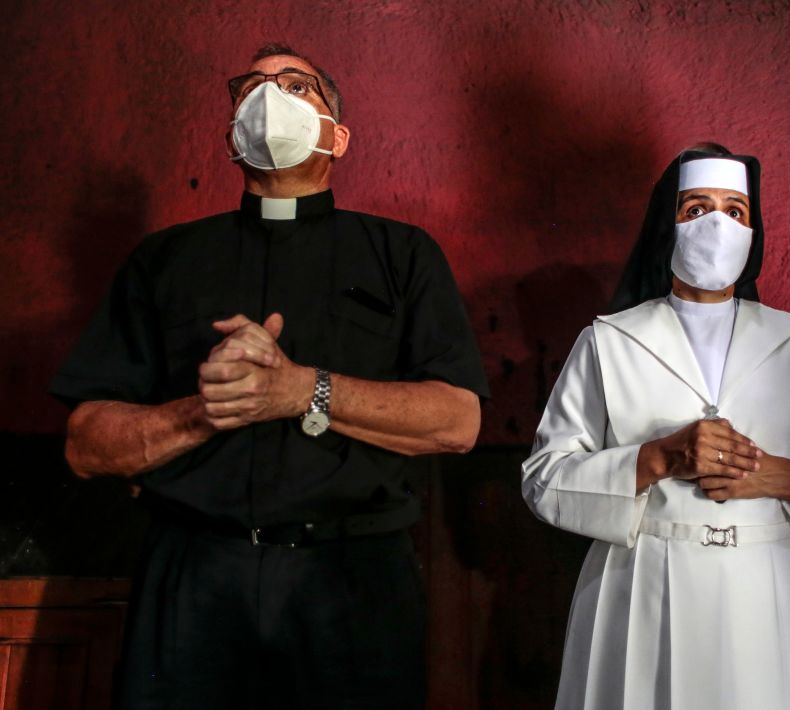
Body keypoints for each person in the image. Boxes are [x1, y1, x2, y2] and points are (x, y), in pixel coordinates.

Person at [50, 43, 488, 710]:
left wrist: (300, 389)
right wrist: (204, 410)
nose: (267, 97)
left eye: (295, 84)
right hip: (193, 577)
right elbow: (85, 445)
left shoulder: (403, 255)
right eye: (249, 88)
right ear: (232, 135)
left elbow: (458, 422)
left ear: (336, 137)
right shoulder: (163, 261)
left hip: (353, 580)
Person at [521, 144, 790, 709]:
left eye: (735, 211)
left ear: (753, 232)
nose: (717, 225)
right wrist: (657, 459)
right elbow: (544, 480)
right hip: (642, 586)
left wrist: (782, 477)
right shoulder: (609, 339)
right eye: (696, 209)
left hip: (774, 591)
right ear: (666, 226)